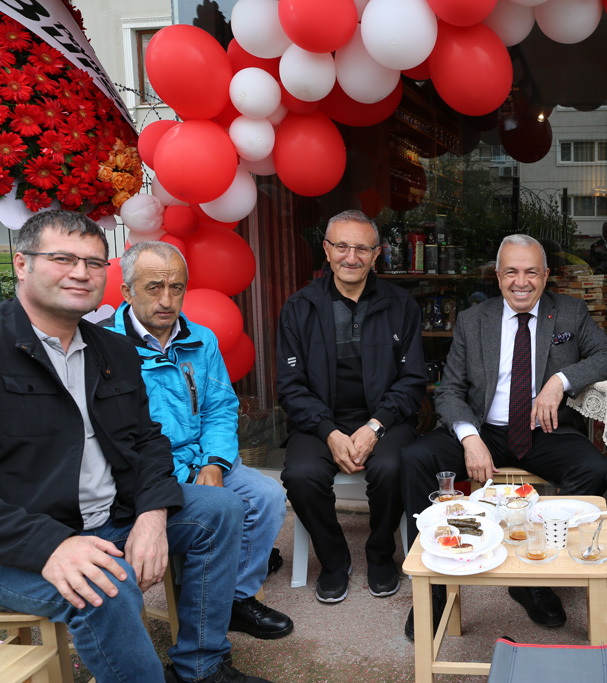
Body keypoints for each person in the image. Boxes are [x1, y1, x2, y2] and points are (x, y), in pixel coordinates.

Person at [0, 211, 271, 683]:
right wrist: (50, 544)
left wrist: (152, 511)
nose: (81, 273)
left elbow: (146, 442)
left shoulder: (112, 350)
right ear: (21, 264)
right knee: (106, 586)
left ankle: (201, 666)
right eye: (63, 259)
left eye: (93, 262)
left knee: (223, 507)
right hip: (21, 544)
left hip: (113, 516)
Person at [401, 234, 607, 638]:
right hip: (483, 428)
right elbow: (449, 390)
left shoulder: (570, 312)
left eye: (531, 272)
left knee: (594, 470)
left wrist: (560, 380)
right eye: (511, 272)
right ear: (497, 275)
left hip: (545, 430)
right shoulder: (474, 319)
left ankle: (535, 578)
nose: (521, 282)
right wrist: (470, 437)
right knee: (416, 459)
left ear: (545, 275)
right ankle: (432, 589)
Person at [107, 241, 292, 640]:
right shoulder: (107, 348)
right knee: (219, 509)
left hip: (203, 457)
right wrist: (185, 473)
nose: (167, 300)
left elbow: (220, 408)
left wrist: (214, 463)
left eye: (176, 287)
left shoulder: (201, 340)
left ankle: (235, 599)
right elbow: (120, 439)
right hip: (149, 473)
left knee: (267, 497)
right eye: (154, 287)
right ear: (127, 292)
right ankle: (203, 609)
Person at [277, 209, 426, 604]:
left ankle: (380, 553)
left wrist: (376, 426)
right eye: (342, 246)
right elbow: (290, 387)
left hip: (386, 418)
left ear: (376, 254)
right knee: (301, 474)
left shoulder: (401, 305)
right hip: (319, 421)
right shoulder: (299, 307)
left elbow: (413, 380)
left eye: (362, 248)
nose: (351, 257)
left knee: (394, 467)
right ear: (327, 250)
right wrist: (328, 431)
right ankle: (333, 559)